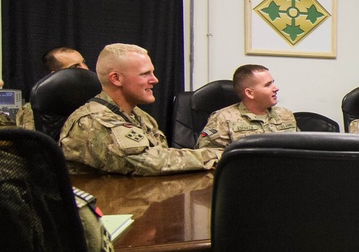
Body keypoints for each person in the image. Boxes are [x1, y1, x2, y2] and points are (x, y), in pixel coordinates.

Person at [60, 43, 222, 175]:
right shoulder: (94, 120)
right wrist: (215, 154)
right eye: (145, 74)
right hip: (106, 209)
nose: (155, 80)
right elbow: (150, 163)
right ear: (116, 78)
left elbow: (164, 156)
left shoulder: (140, 116)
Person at [196, 64, 298, 149]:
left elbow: (300, 148)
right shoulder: (223, 118)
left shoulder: (285, 114)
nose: (276, 88)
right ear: (250, 93)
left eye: (273, 83)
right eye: (268, 85)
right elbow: (208, 156)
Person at [16, 46, 90, 130]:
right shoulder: (32, 110)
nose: (85, 68)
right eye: (75, 67)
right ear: (56, 75)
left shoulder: (95, 102)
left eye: (84, 63)